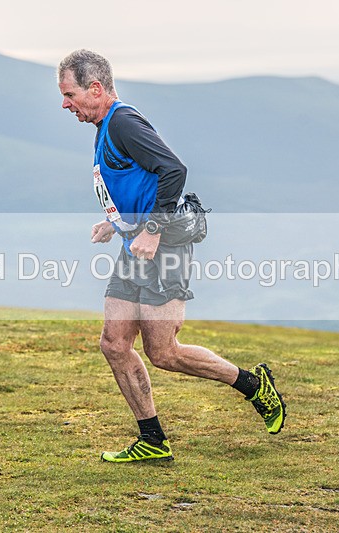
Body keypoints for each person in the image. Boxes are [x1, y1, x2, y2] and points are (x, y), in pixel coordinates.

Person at [57, 49, 286, 462]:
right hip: (137, 246)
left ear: (95, 88)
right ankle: (152, 440)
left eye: (70, 94)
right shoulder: (106, 125)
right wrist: (120, 222)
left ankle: (255, 386)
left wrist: (152, 228)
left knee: (164, 353)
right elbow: (139, 181)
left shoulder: (123, 121)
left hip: (166, 247)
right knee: (114, 343)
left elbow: (174, 170)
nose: (65, 104)